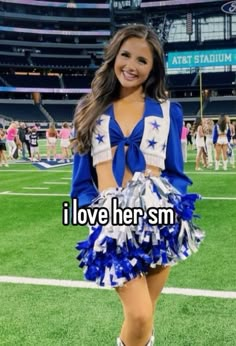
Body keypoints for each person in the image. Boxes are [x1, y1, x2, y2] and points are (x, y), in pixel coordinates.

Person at [71, 24, 204, 346]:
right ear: (114, 56)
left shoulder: (168, 110)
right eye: (125, 55)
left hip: (158, 226)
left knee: (146, 315)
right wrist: (100, 215)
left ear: (153, 67)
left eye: (142, 60)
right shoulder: (89, 108)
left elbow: (176, 173)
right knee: (140, 314)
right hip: (113, 225)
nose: (131, 66)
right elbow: (81, 184)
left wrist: (167, 208)